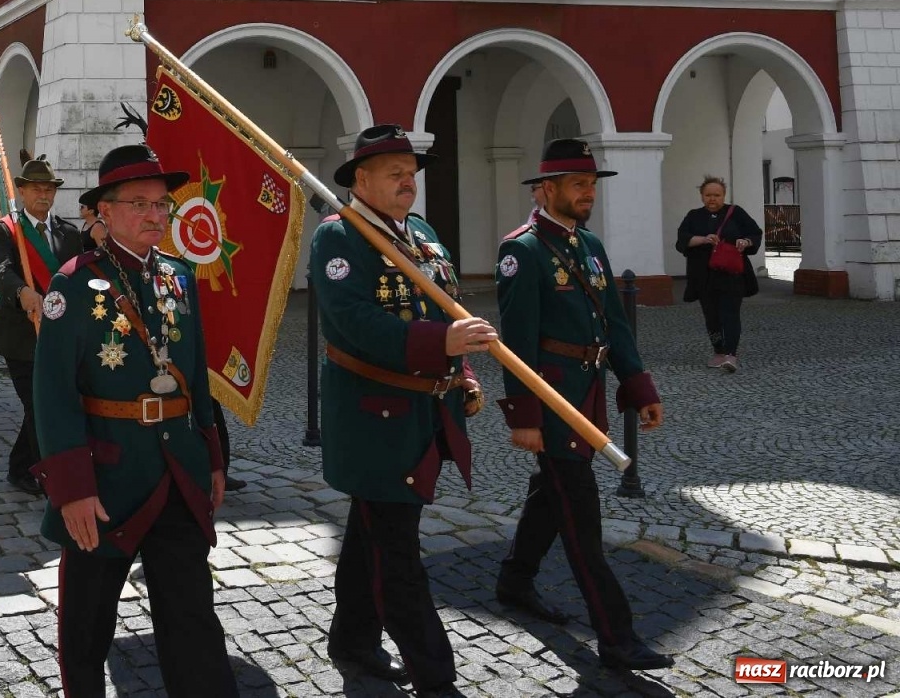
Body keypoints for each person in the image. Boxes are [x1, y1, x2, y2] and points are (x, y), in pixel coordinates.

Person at [32, 143, 235, 698]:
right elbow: (53, 394)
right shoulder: (73, 285)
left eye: (161, 204)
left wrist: (213, 458)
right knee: (88, 621)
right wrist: (72, 489)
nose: (155, 215)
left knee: (192, 616)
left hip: (178, 473)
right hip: (108, 479)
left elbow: (196, 378)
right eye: (139, 203)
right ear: (105, 211)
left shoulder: (178, 276)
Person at [313, 125, 487, 697]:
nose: (407, 182)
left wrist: (461, 367)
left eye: (411, 173)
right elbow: (352, 324)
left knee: (373, 534)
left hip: (421, 412)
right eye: (394, 173)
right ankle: (436, 677)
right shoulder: (340, 236)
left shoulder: (423, 234)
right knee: (397, 553)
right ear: (361, 180)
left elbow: (446, 308)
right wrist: (440, 343)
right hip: (374, 419)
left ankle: (352, 642)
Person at [493, 139, 670, 673]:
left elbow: (614, 322)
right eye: (578, 185)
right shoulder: (521, 251)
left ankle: (515, 581)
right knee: (581, 520)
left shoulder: (589, 244)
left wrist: (639, 387)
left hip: (586, 395)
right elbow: (516, 342)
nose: (589, 193)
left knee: (551, 495)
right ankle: (616, 637)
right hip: (552, 403)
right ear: (546, 190)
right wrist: (525, 417)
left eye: (592, 184)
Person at [0, 156, 82, 495]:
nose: (43, 195)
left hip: (58, 334)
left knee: (46, 403)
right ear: (23, 192)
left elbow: (79, 279)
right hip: (21, 336)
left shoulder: (69, 233)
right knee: (37, 403)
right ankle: (46, 472)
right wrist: (21, 291)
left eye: (49, 189)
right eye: (36, 189)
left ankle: (20, 467)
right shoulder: (6, 229)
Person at [675, 176, 763, 373]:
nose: (712, 199)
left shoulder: (736, 213)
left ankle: (731, 354)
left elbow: (755, 233)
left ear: (724, 195)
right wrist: (703, 239)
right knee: (711, 316)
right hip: (703, 275)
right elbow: (682, 241)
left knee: (731, 314)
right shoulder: (694, 216)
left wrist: (745, 242)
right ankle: (718, 351)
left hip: (731, 274)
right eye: (708, 195)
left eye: (717, 195)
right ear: (701, 196)